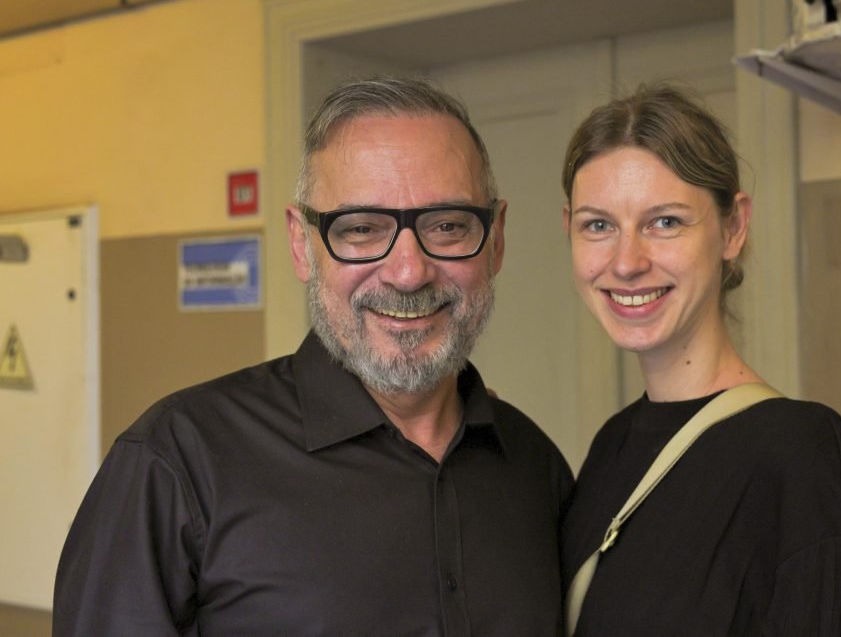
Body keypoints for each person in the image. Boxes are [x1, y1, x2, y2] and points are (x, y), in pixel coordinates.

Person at [54, 76, 573, 636]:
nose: (407, 272)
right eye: (362, 229)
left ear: (495, 240)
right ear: (303, 245)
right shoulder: (178, 462)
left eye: (447, 226)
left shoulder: (534, 468)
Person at [558, 84, 841, 635]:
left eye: (664, 222)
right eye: (599, 225)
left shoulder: (801, 455)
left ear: (733, 228)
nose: (626, 262)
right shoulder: (611, 448)